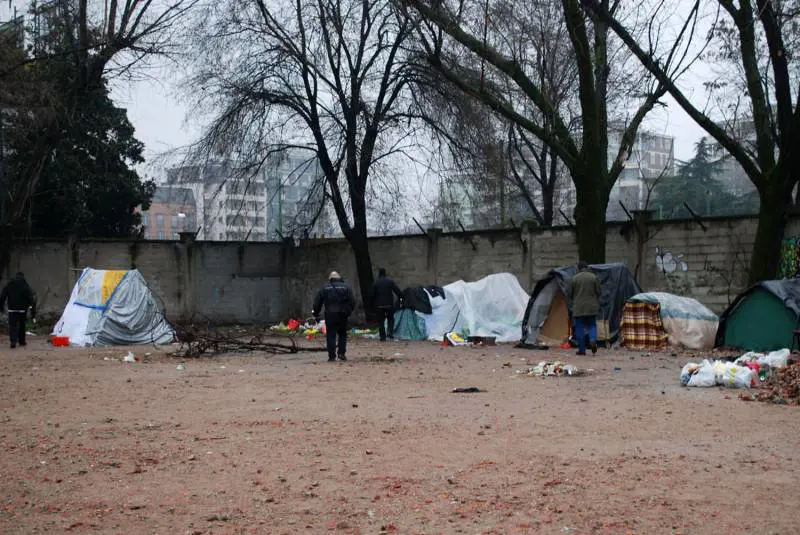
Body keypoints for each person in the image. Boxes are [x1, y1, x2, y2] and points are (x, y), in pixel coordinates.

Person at [313, 271, 356, 362]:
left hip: (330, 314)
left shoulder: (324, 288)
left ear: (330, 279)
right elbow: (352, 302)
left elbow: (317, 302)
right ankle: (341, 353)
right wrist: (348, 311)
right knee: (342, 334)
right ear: (339, 278)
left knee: (331, 335)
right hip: (342, 314)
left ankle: (331, 356)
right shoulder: (346, 287)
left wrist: (316, 314)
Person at [566, 261, 601, 355]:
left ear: (578, 268)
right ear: (587, 267)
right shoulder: (594, 277)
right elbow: (599, 291)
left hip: (579, 307)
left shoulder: (574, 279)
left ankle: (582, 349)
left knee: (579, 328)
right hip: (592, 307)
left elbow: (569, 293)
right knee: (592, 325)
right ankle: (593, 340)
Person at [0, 272, 37, 349]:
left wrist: (2, 307)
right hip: (22, 310)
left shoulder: (9, 284)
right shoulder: (25, 285)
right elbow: (30, 299)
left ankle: (13, 342)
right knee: (22, 325)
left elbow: (3, 296)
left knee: (12, 325)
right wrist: (32, 312)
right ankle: (21, 341)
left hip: (12, 309)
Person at [372, 268, 403, 341]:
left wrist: (373, 304)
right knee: (391, 319)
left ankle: (382, 337)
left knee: (381, 321)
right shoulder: (390, 281)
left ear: (379, 273)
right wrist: (401, 297)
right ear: (385, 273)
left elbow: (372, 294)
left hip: (379, 305)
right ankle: (390, 334)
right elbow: (397, 290)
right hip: (389, 304)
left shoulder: (376, 282)